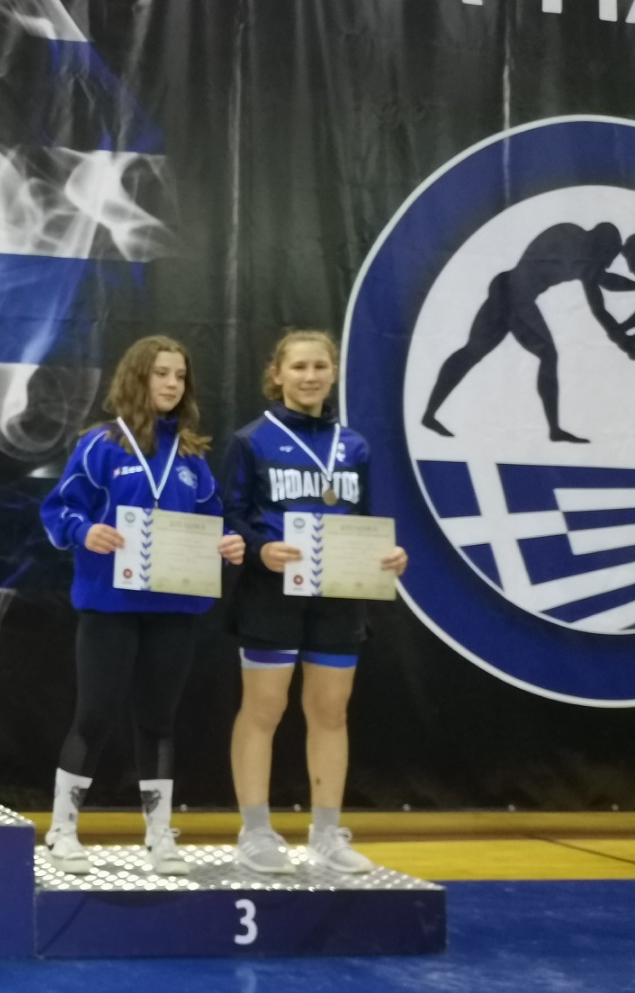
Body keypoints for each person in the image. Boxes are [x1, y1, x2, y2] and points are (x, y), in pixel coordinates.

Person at [39, 336, 244, 876]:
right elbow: (60, 509)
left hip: (173, 608)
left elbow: (214, 520)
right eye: (161, 373)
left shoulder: (193, 456)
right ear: (137, 377)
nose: (172, 383)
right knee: (95, 714)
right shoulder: (101, 445)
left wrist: (228, 543)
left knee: (157, 720)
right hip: (110, 604)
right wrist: (85, 532)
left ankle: (158, 835)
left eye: (180, 375)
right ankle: (63, 829)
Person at [223, 330, 409, 876]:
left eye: (320, 366)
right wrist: (259, 550)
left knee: (331, 711)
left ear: (333, 374)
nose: (310, 376)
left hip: (339, 594)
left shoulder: (354, 446)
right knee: (264, 709)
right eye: (299, 366)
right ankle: (256, 832)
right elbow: (229, 517)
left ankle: (326, 834)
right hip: (271, 593)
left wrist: (387, 555)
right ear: (276, 374)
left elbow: (365, 520)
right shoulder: (251, 440)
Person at [421, 222, 635, 443]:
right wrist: (623, 339)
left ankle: (429, 414)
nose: (606, 264)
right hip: (517, 298)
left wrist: (621, 332)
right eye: (607, 258)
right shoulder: (578, 249)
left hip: (504, 285)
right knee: (547, 355)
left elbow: (604, 284)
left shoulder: (578, 244)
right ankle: (554, 430)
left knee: (471, 352)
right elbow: (600, 302)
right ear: (599, 246)